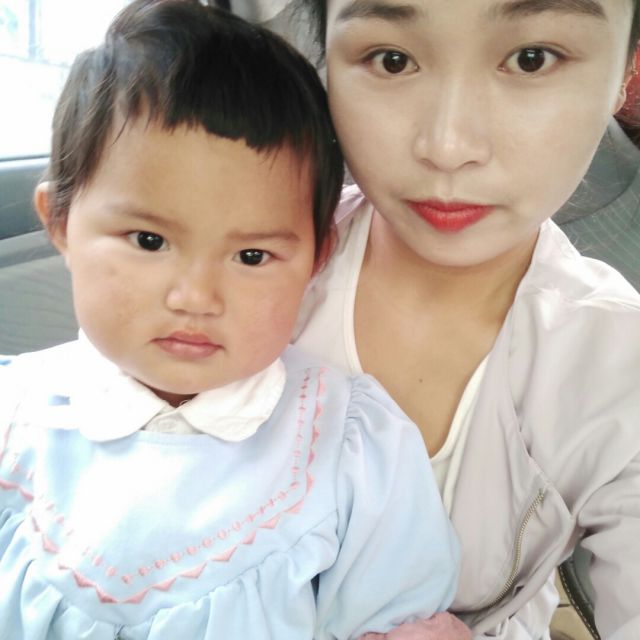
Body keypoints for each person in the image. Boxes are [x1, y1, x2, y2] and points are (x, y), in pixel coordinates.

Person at [0, 1, 468, 638]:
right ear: (59, 222)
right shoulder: (14, 415)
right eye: (149, 241)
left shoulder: (351, 447)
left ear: (316, 258)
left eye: (251, 257)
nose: (196, 297)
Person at [284, 0, 640, 637]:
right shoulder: (231, 269)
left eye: (531, 59)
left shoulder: (619, 368)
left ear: (626, 73)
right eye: (392, 60)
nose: (448, 147)